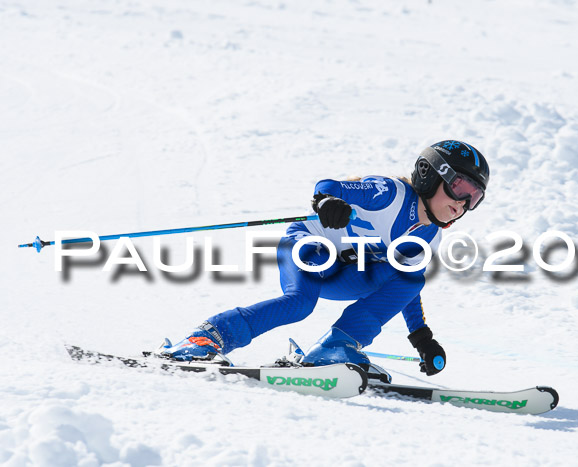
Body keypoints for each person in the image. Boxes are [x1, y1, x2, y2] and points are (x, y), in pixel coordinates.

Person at [159, 140, 490, 376]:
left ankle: (337, 346)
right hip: (308, 246)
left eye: (474, 197)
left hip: (345, 270)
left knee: (409, 275)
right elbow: (330, 185)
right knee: (300, 303)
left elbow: (404, 288)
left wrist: (421, 337)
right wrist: (327, 202)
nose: (463, 203)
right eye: (460, 187)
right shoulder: (389, 194)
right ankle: (206, 337)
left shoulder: (429, 235)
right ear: (430, 174)